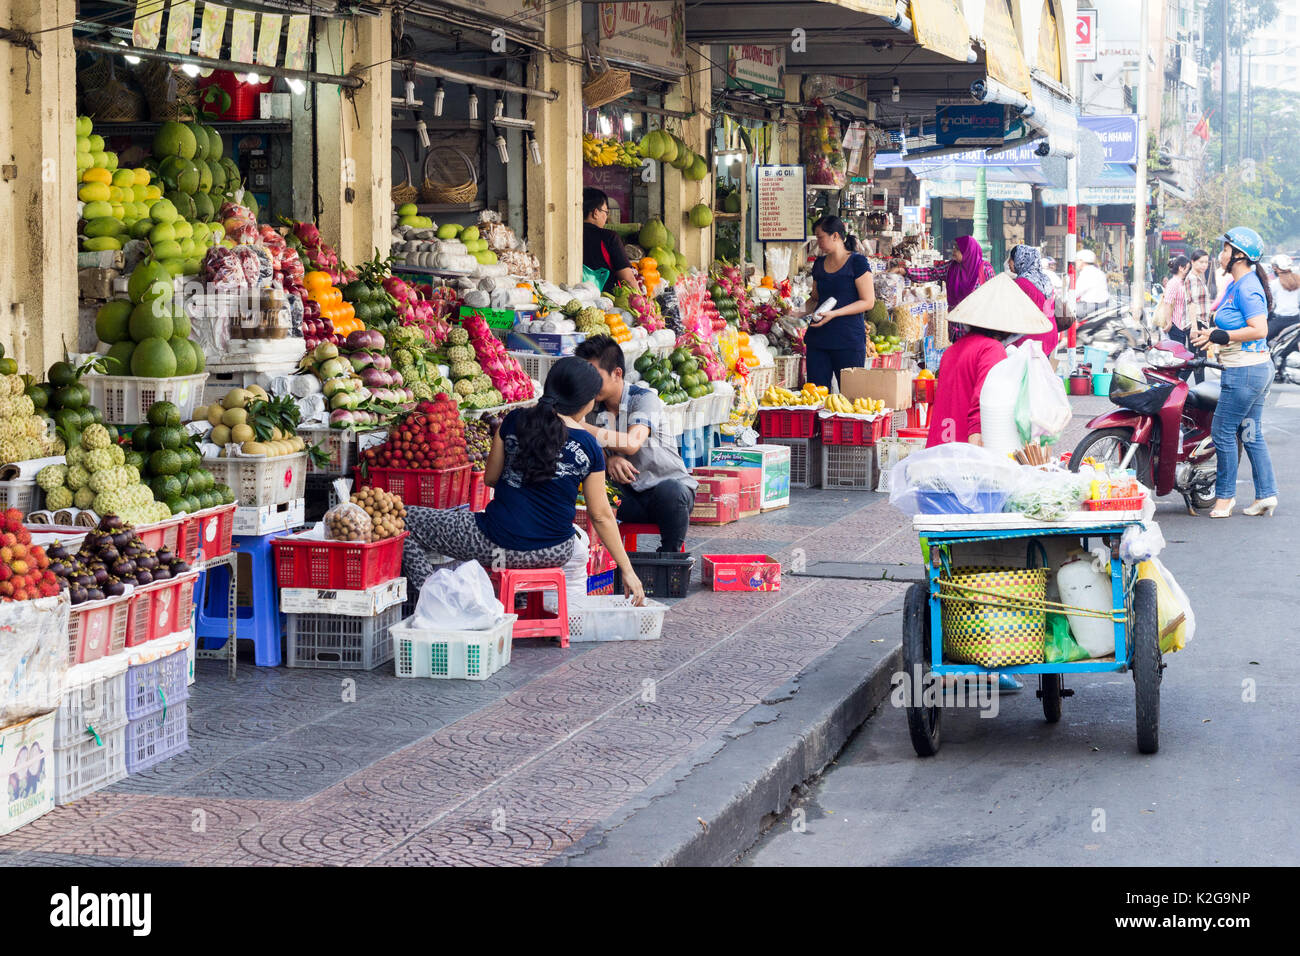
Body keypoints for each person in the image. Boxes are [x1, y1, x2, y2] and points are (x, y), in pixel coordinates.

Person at [401, 357, 645, 605]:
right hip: (555, 551)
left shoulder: (514, 420)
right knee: (578, 550)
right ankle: (555, 613)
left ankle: (431, 598)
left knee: (403, 519)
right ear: (586, 402)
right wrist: (627, 569)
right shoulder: (589, 446)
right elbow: (601, 515)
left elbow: (491, 478)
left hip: (494, 546)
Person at [926, 273, 1052, 692]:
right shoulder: (994, 351)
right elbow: (984, 408)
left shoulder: (954, 350)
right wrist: (985, 457)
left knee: (947, 560)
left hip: (938, 460)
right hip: (969, 466)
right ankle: (993, 655)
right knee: (987, 557)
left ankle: (954, 644)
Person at [573, 334, 698, 554]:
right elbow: (587, 448)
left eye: (594, 375)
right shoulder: (590, 407)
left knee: (671, 491)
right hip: (628, 496)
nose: (587, 383)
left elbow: (632, 443)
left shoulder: (643, 398)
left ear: (617, 373)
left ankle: (670, 558)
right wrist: (609, 458)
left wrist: (575, 423)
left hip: (667, 494)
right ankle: (599, 559)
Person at [1190, 227, 1278, 519]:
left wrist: (1222, 337)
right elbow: (1225, 327)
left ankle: (1224, 498)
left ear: (1240, 255)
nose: (1221, 254)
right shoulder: (1236, 284)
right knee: (1251, 434)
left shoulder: (1248, 287)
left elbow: (1259, 329)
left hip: (1245, 372)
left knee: (1223, 431)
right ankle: (1266, 495)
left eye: (1226, 250)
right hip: (1253, 369)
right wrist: (1210, 334)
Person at [926, 272, 1053, 450]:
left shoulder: (952, 350)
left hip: (939, 447)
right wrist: (977, 437)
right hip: (964, 452)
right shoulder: (991, 349)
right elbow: (984, 400)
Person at [800, 215, 876, 390]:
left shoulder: (857, 262)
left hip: (847, 340)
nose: (818, 242)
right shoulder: (819, 264)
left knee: (851, 396)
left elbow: (868, 301)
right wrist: (797, 312)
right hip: (818, 341)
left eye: (820, 237)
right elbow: (815, 299)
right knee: (816, 396)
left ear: (835, 236)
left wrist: (835, 313)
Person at [1005, 244, 1059, 358]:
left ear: (1021, 260)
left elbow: (1012, 312)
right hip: (1049, 334)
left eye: (1011, 259)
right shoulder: (1045, 279)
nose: (1008, 262)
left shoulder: (1021, 283)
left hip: (1032, 337)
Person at [582, 187, 639, 293]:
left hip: (575, 296)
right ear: (595, 213)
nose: (606, 217)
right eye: (606, 212)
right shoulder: (609, 237)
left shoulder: (572, 235)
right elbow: (627, 279)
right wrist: (643, 304)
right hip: (608, 302)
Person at [1181, 249, 1213, 384]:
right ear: (1193, 262)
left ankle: (1174, 385)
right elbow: (1191, 303)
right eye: (1201, 262)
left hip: (1202, 322)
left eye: (1206, 262)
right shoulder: (1192, 278)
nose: (1204, 265)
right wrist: (1194, 327)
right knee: (1198, 360)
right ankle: (1200, 388)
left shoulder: (1199, 278)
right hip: (1196, 323)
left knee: (1197, 360)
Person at [1266, 253, 1300, 342]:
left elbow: (1270, 303)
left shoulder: (1274, 284)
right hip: (1296, 318)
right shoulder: (1298, 280)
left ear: (1276, 268)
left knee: (1262, 339)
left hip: (1280, 320)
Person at [1162, 255, 1191, 347]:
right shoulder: (1173, 283)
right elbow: (1167, 303)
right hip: (1175, 326)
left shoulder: (1182, 282)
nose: (1188, 271)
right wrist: (1169, 323)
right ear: (1181, 268)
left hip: (1181, 326)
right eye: (1187, 268)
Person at [1072, 249, 1110, 318]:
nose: (1075, 263)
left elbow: (1077, 292)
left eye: (1077, 260)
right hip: (1102, 304)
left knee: (1064, 311)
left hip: (1091, 306)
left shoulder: (1086, 273)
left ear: (1082, 261)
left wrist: (1066, 297)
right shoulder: (1098, 272)